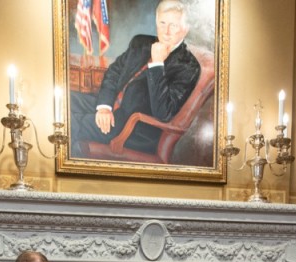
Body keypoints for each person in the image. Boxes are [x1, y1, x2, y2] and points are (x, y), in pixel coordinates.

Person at [69, 0, 201, 158]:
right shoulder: (141, 42)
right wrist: (104, 107)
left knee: (70, 123)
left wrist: (157, 64)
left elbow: (163, 113)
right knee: (64, 101)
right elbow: (114, 72)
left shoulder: (188, 66)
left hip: (134, 127)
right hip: (112, 105)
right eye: (162, 23)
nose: (166, 32)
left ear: (185, 29)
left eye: (173, 25)